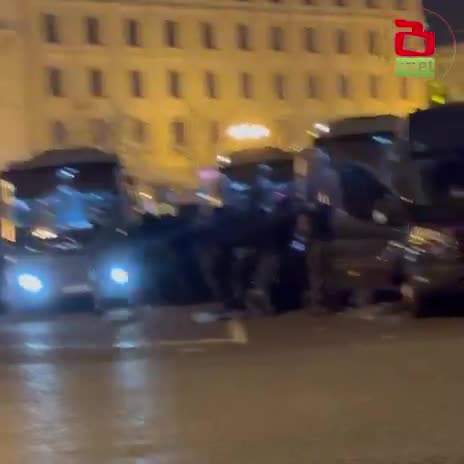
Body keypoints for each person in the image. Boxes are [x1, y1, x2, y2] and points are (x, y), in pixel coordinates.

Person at [305, 148, 344, 313]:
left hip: (320, 231)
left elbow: (320, 204)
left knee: (317, 270)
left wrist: (308, 208)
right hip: (335, 229)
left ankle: (319, 303)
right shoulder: (333, 176)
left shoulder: (317, 179)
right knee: (331, 269)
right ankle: (332, 302)